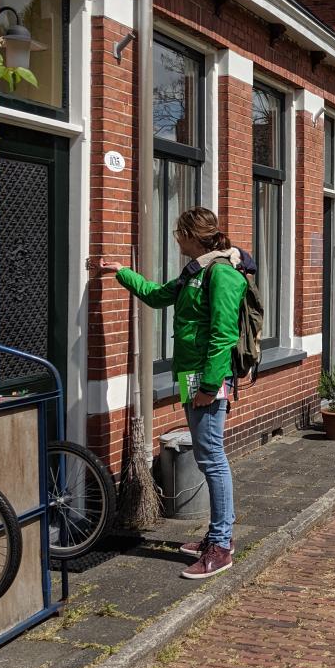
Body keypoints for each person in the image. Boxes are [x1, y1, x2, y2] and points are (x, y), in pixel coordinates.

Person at [98, 207, 247, 580]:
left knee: (212, 458)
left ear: (193, 235)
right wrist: (121, 273)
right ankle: (216, 535)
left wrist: (211, 387)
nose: (175, 239)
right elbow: (156, 295)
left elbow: (223, 335)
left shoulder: (222, 274)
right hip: (191, 374)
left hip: (208, 378)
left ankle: (222, 544)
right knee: (207, 455)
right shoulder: (195, 272)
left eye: (179, 233)